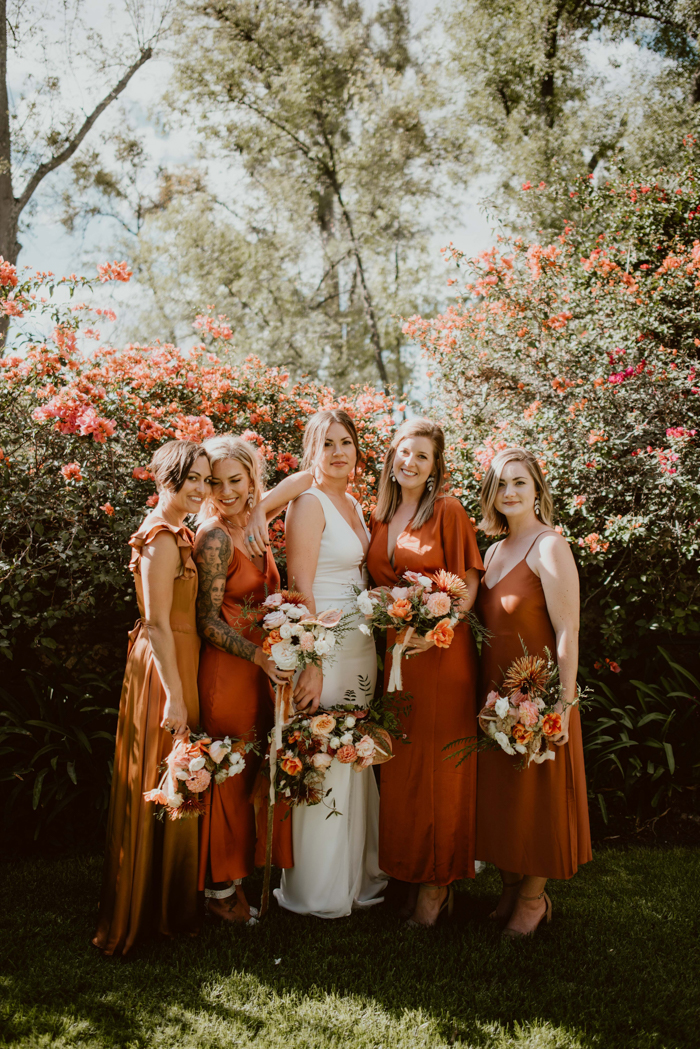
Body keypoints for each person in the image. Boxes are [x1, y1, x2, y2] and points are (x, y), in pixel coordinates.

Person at [93, 439, 210, 956]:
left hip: (181, 656)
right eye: (194, 479)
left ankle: (172, 905)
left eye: (207, 479)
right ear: (168, 479)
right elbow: (158, 623)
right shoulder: (160, 539)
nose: (203, 489)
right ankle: (145, 912)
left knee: (180, 773)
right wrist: (176, 696)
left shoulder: (181, 532)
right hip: (164, 664)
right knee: (161, 774)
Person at [366, 418, 484, 928]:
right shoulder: (381, 514)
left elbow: (468, 580)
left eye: (421, 456)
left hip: (440, 653)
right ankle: (411, 872)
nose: (409, 462)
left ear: (436, 466)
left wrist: (443, 624)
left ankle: (438, 887)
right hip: (395, 656)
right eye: (402, 452)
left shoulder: (449, 510)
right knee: (403, 769)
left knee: (441, 769)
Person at [194, 435, 313, 923]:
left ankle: (242, 880)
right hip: (230, 670)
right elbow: (207, 620)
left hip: (264, 668)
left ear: (252, 479)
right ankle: (219, 891)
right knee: (229, 776)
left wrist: (260, 508)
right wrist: (260, 658)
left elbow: (308, 477)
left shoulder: (253, 523)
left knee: (254, 777)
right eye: (215, 483)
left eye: (235, 481)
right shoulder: (215, 536)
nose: (224, 492)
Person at [274, 409, 387, 918]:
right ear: (312, 453)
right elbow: (298, 586)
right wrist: (313, 662)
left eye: (346, 442)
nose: (339, 452)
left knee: (353, 755)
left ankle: (356, 875)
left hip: (360, 644)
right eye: (327, 444)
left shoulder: (354, 505)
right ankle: (317, 889)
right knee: (321, 753)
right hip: (324, 645)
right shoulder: (309, 503)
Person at [474, 447, 592, 938]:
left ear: (537, 488)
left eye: (519, 482)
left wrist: (562, 707)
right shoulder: (493, 551)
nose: (510, 492)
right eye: (501, 483)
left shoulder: (549, 545)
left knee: (536, 797)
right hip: (494, 698)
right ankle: (507, 887)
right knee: (500, 795)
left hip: (538, 696)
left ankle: (532, 898)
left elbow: (568, 630)